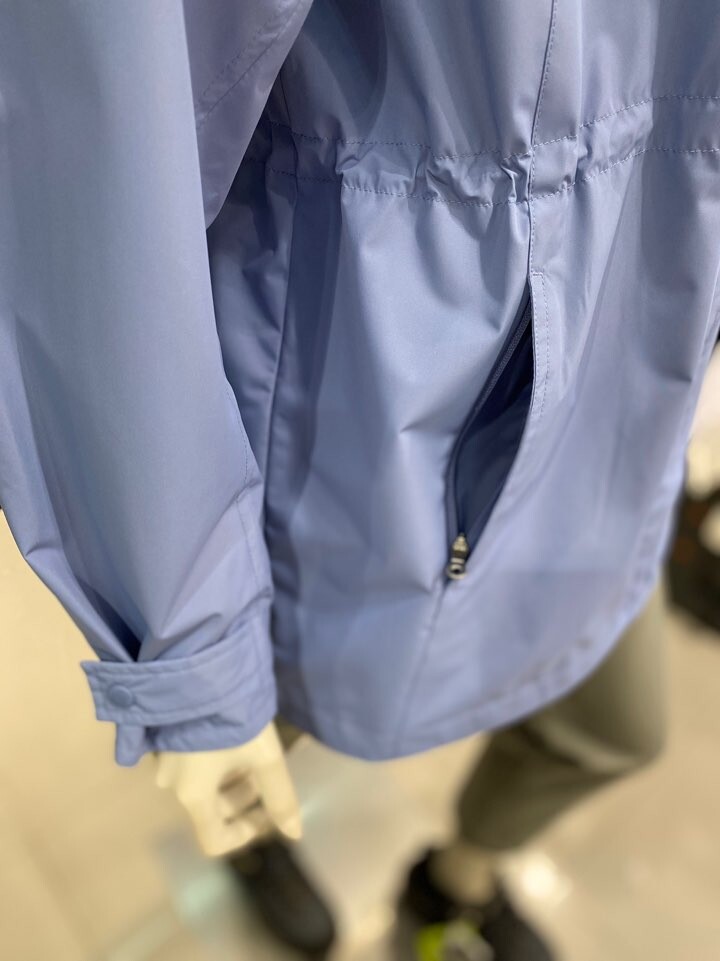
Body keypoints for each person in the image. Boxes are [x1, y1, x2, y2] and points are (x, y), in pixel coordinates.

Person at [228, 582, 668, 961]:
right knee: (308, 658)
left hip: (593, 521)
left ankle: (457, 881)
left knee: (618, 725)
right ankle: (249, 826)